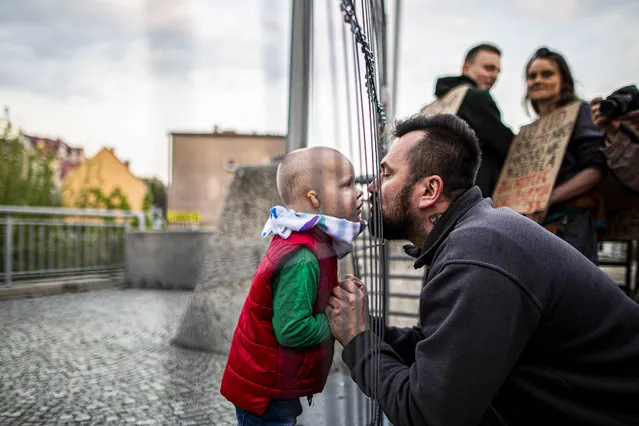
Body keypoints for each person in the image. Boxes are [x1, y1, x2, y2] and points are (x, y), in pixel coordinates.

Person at [325, 113, 639, 426]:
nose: (372, 188)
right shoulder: (471, 236)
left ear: (429, 191)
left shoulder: (476, 253)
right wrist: (362, 323)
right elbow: (437, 347)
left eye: (386, 174)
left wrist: (359, 339)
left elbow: (428, 415)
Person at [220, 147, 365, 425]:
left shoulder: (305, 238)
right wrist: (336, 320)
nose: (358, 192)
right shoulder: (303, 257)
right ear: (314, 198)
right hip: (266, 394)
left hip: (271, 383)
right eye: (347, 184)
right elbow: (291, 329)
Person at [523, 47, 607, 263]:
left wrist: (547, 199)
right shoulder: (527, 132)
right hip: (531, 225)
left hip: (571, 223)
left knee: (571, 292)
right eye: (532, 76)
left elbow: (594, 170)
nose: (537, 80)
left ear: (564, 80)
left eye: (546, 74)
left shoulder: (582, 113)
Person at [430, 42, 514, 197]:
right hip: (470, 197)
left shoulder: (435, 105)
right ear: (466, 68)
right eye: (488, 68)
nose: (494, 75)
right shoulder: (477, 98)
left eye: (497, 71)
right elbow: (507, 145)